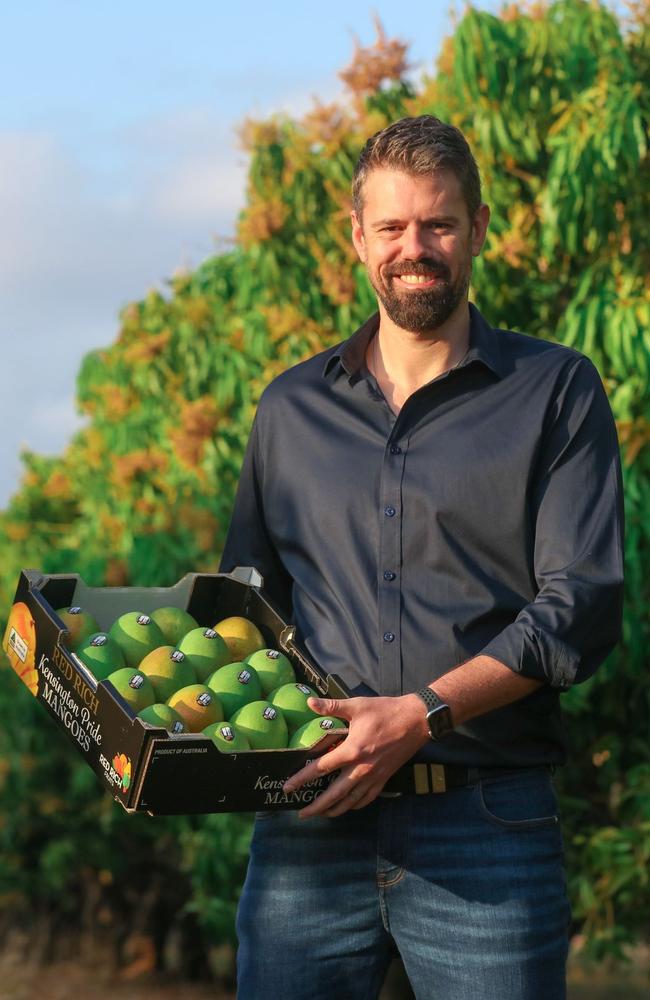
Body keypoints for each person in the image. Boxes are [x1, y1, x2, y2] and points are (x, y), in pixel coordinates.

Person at [219, 115, 624, 1000]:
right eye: (394, 228)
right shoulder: (290, 410)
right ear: (357, 237)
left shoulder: (554, 390)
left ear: (478, 228)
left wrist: (421, 712)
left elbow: (580, 605)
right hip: (310, 822)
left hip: (487, 825)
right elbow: (248, 607)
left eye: (438, 224)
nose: (417, 248)